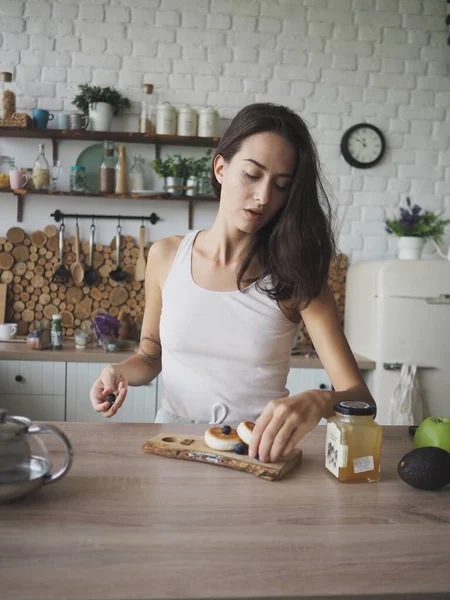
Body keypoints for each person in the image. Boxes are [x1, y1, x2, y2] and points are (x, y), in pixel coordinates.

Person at [90, 103, 376, 463]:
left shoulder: (297, 276)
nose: (263, 197)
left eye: (281, 186)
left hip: (258, 452)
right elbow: (150, 355)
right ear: (221, 167)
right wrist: (117, 372)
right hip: (173, 445)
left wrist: (319, 400)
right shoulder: (165, 256)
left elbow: (362, 398)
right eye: (252, 175)